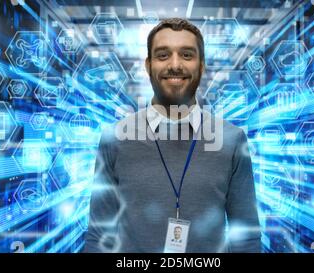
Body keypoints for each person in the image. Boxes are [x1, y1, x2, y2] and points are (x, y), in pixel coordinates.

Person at [84, 18, 260, 253]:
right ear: (148, 66)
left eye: (187, 55)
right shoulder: (114, 139)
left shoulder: (232, 140)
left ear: (202, 66)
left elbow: (245, 237)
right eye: (163, 55)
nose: (175, 65)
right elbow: (98, 235)